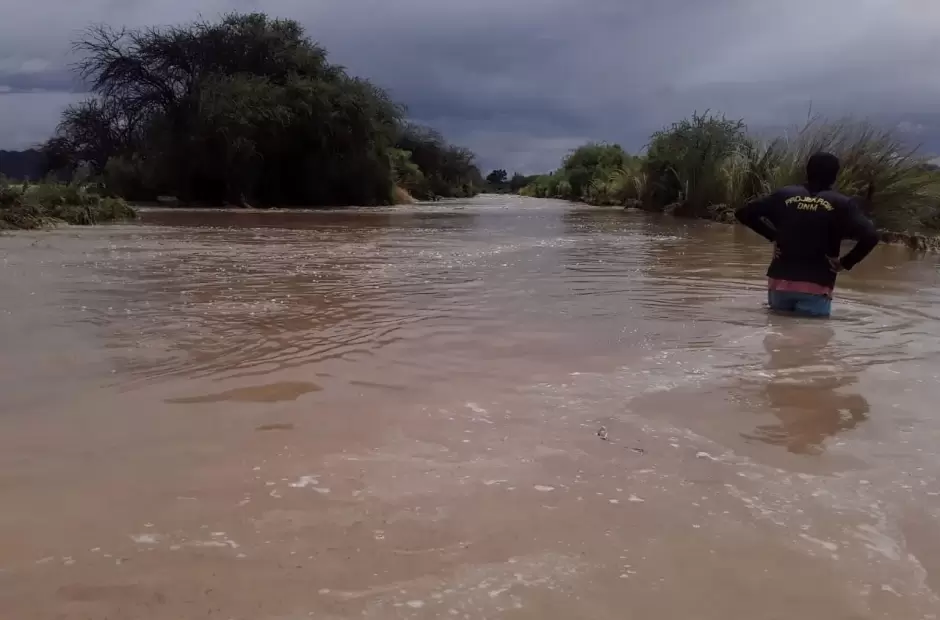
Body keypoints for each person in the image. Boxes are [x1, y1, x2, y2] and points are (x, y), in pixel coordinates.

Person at [734, 152, 880, 317]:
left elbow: (743, 213)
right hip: (816, 285)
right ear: (835, 176)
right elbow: (871, 236)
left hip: (780, 283)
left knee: (778, 334)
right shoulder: (842, 203)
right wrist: (845, 263)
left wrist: (773, 236)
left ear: (807, 171)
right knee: (811, 338)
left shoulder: (783, 195)